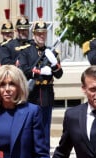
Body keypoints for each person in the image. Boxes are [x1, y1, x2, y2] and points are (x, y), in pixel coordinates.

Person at [17, 8, 63, 144]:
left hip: (47, 93)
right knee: (31, 126)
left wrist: (54, 63)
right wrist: (40, 71)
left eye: (44, 33)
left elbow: (59, 74)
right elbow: (23, 70)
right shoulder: (26, 51)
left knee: (45, 127)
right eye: (39, 33)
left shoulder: (51, 52)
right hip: (33, 94)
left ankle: (44, 155)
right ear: (34, 34)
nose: (41, 36)